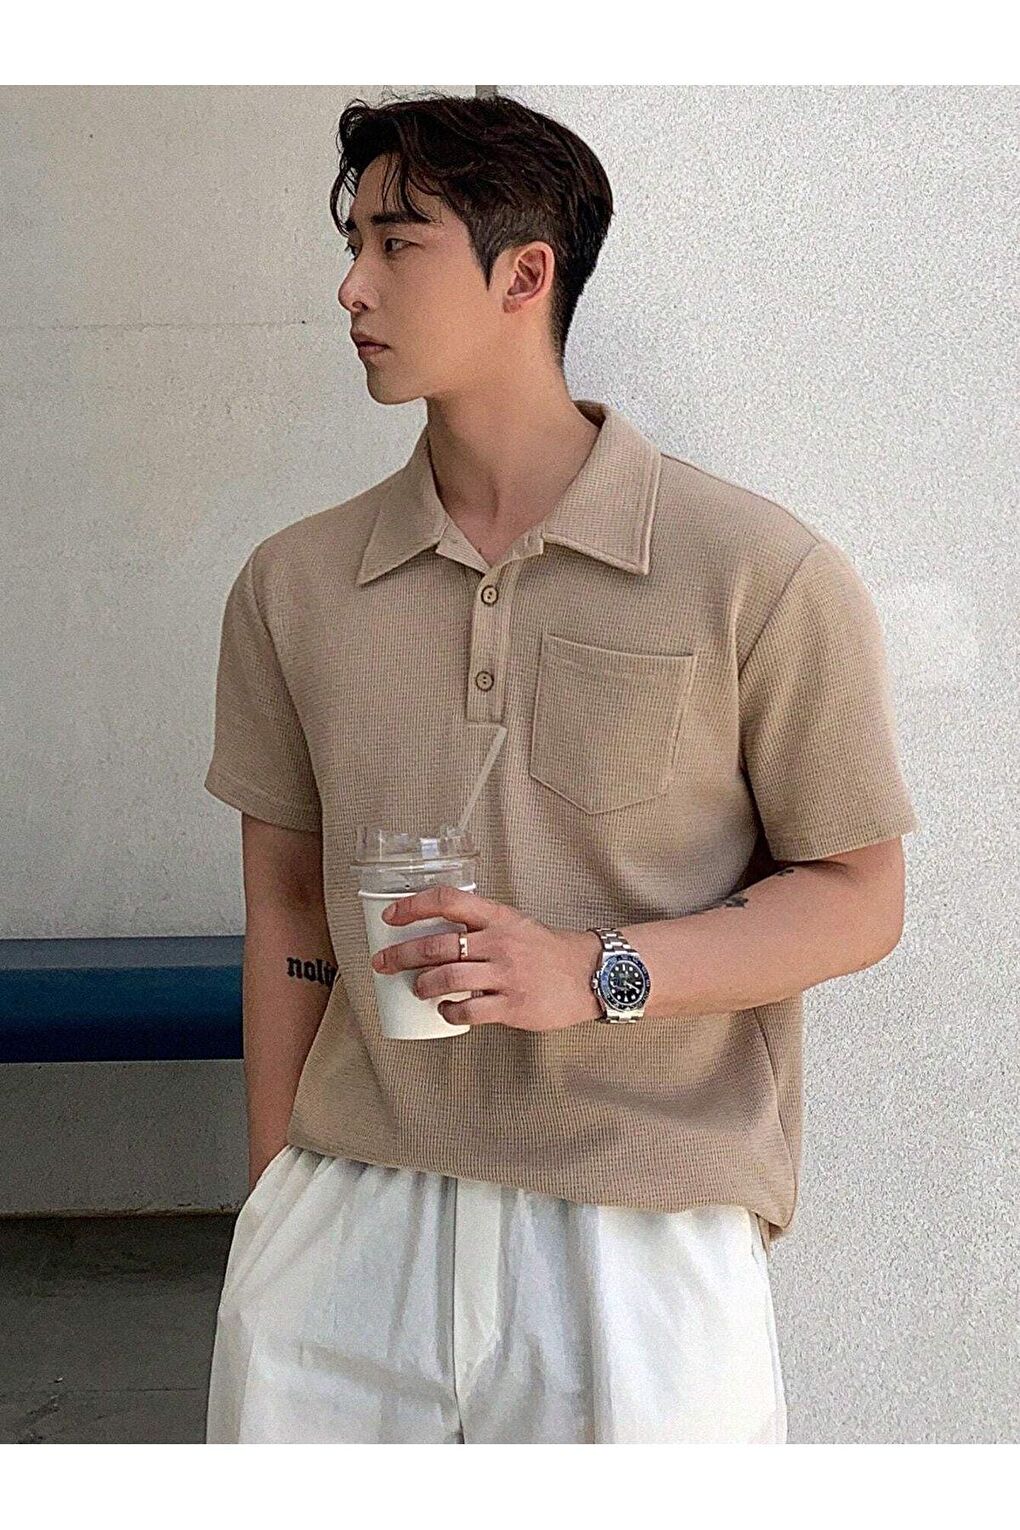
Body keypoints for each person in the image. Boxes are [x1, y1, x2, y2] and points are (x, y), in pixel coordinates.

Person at [201, 92, 918, 1444]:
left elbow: (858, 895)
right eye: (352, 245)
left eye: (397, 244)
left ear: (525, 275)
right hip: (347, 1217)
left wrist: (594, 971)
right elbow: (287, 902)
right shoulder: (293, 585)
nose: (352, 287)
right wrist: (273, 1198)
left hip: (637, 1234)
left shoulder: (756, 573)